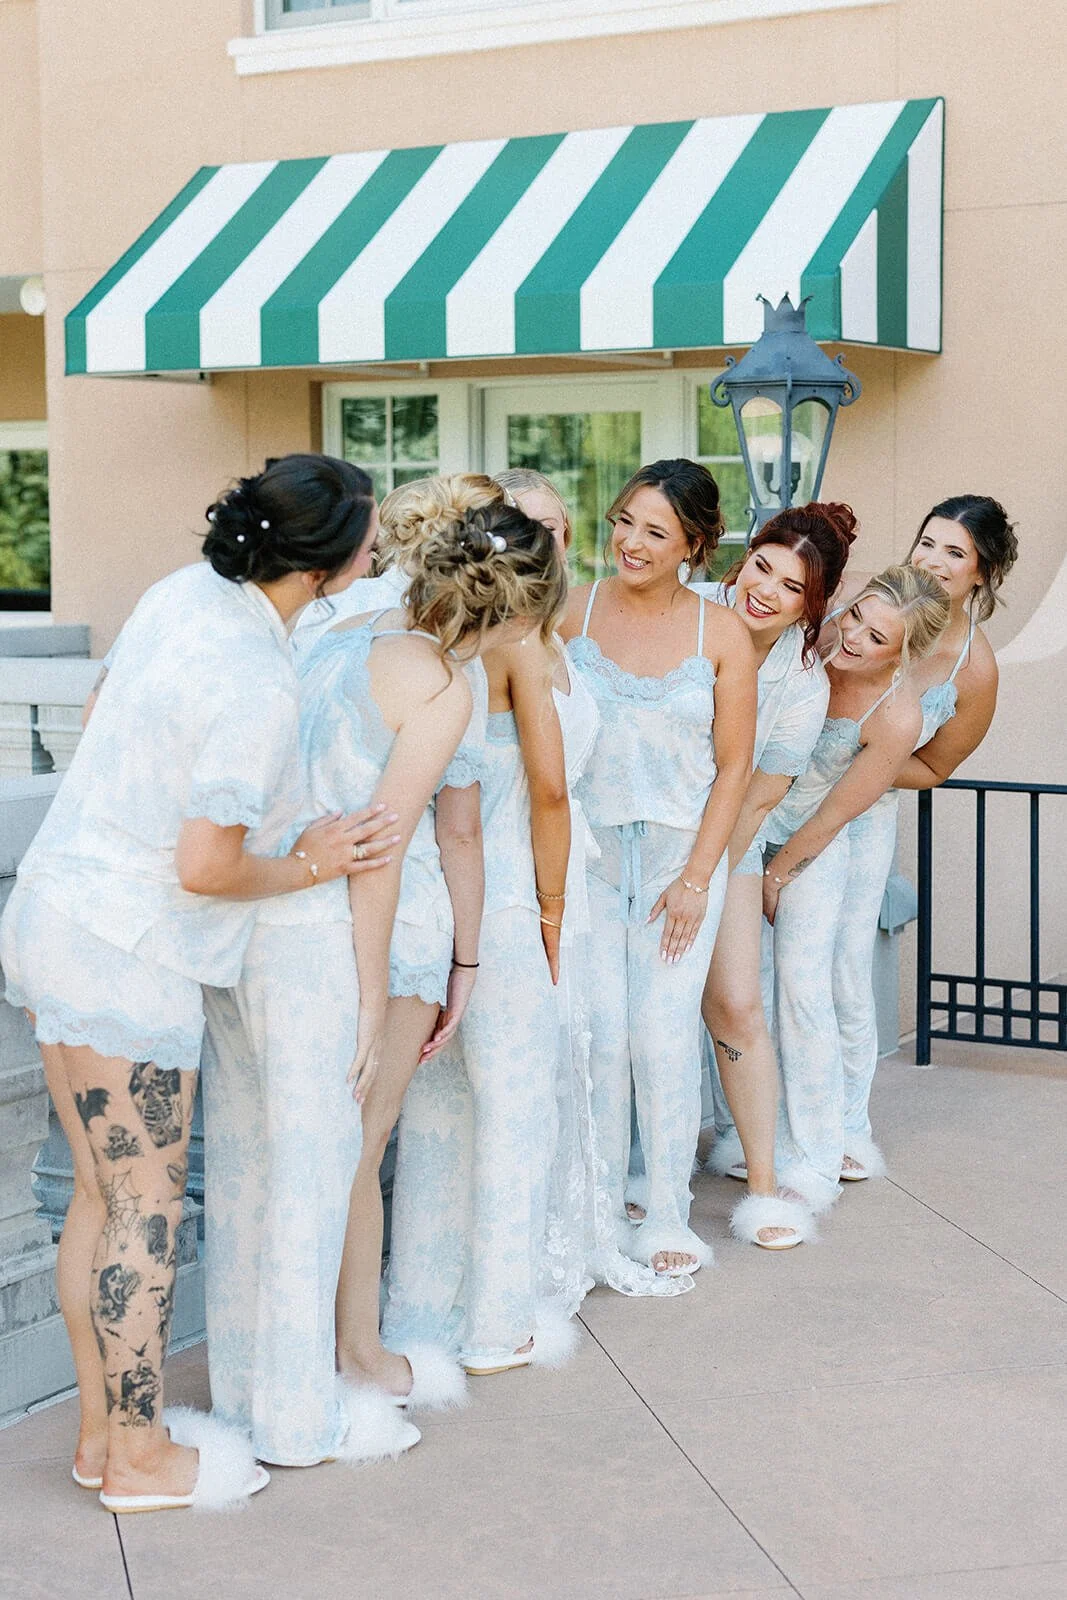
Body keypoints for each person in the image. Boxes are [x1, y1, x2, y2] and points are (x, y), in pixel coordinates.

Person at [0, 453, 391, 1512]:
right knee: (147, 1208)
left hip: (53, 908)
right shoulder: (256, 683)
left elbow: (101, 710)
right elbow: (206, 867)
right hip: (130, 947)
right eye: (370, 530)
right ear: (327, 563)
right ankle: (137, 1457)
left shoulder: (180, 595)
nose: (379, 543)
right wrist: (313, 859)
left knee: (101, 1191)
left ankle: (99, 1438)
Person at [560, 459, 756, 1277]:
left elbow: (734, 767)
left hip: (682, 859)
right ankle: (598, 1213)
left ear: (694, 545)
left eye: (654, 531)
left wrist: (697, 878)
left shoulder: (722, 633)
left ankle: (669, 1216)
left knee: (662, 1035)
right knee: (602, 1037)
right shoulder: (573, 611)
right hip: (592, 858)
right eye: (623, 521)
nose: (629, 542)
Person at [498, 469, 684, 1301]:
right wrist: (545, 902)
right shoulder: (506, 638)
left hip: (581, 865)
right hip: (530, 875)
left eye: (559, 530)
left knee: (595, 1048)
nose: (550, 547)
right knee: (545, 1063)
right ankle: (517, 1252)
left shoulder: (556, 632)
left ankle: (588, 1221)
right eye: (526, 529)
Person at [832, 496, 1018, 1179]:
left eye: (953, 553)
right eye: (927, 542)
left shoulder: (974, 667)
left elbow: (936, 764)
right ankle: (759, 1124)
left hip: (861, 821)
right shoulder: (866, 610)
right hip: (783, 801)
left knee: (844, 972)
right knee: (765, 972)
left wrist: (859, 764)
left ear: (981, 572)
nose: (933, 561)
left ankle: (848, 1126)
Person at [760, 565, 951, 1213]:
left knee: (816, 981)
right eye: (853, 618)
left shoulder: (894, 716)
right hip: (749, 821)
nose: (852, 639)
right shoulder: (805, 648)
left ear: (902, 654)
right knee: (750, 987)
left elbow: (838, 812)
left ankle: (834, 1132)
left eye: (875, 638)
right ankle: (746, 1134)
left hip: (815, 841)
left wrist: (778, 871)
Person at [693, 505, 854, 1250]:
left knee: (735, 1005)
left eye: (791, 587)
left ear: (809, 605)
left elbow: (758, 797)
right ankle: (633, 1178)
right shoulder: (687, 614)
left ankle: (762, 1187)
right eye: (762, 565)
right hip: (627, 837)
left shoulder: (800, 680)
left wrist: (696, 881)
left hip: (728, 845)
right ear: (743, 556)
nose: (766, 590)